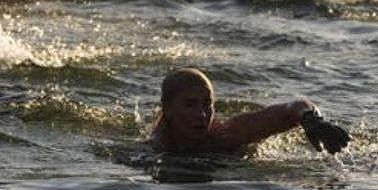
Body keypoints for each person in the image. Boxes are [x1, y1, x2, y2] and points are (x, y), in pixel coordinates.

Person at [148, 68, 350, 155]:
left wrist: (313, 121)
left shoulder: (227, 134)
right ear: (168, 109)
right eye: (190, 105)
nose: (202, 115)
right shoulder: (152, 151)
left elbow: (293, 108)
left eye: (207, 104)